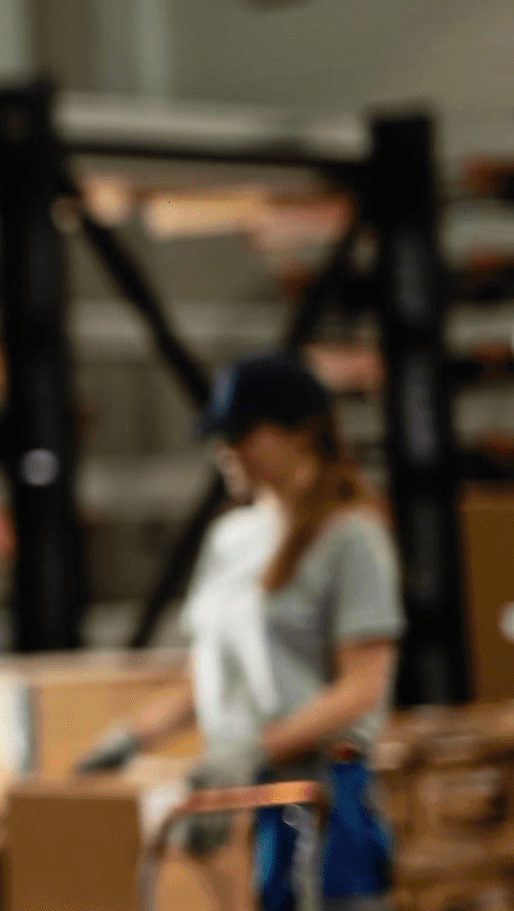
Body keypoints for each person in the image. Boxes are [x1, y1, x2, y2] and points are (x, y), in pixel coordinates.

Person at [75, 352, 400, 911]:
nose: (224, 448)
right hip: (249, 787)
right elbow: (208, 676)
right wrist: (133, 737)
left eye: (241, 433)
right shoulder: (231, 539)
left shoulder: (352, 538)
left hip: (323, 790)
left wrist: (251, 751)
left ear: (300, 433)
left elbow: (361, 687)